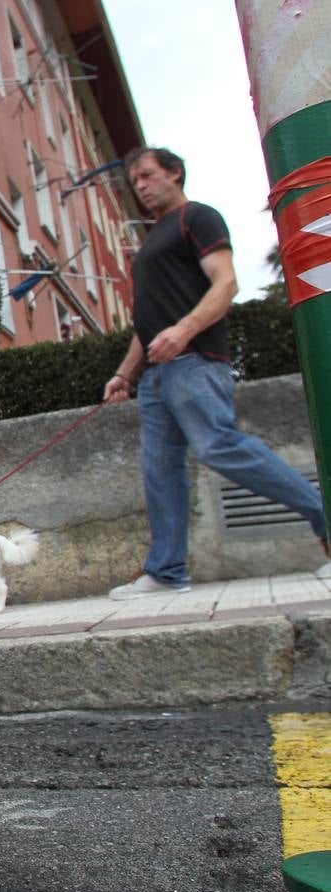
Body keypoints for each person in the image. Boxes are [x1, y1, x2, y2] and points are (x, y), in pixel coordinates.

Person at [103, 146, 330, 600]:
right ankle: (166, 571)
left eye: (148, 176)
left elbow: (226, 283)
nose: (142, 186)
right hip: (156, 378)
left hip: (195, 363)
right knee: (160, 471)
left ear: (174, 173)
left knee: (217, 445)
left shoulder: (197, 218)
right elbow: (146, 320)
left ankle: (323, 513)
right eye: (136, 182)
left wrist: (183, 332)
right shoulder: (151, 241)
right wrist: (125, 373)